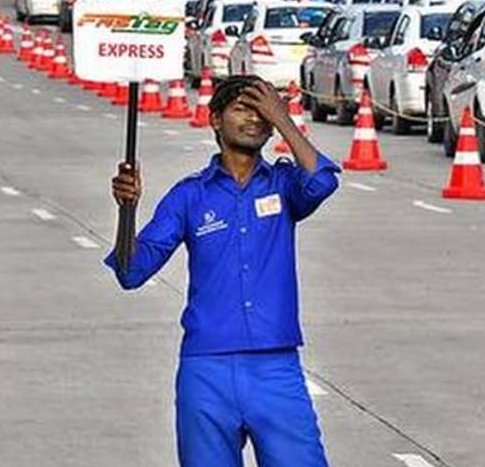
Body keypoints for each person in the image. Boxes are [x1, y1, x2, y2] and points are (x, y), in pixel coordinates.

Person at [108, 76, 339, 466]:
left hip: (276, 368)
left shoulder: (283, 185)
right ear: (215, 119)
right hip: (206, 370)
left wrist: (282, 119)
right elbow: (131, 272)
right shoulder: (190, 195)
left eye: (261, 111)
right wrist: (126, 210)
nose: (254, 119)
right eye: (242, 109)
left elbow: (322, 181)